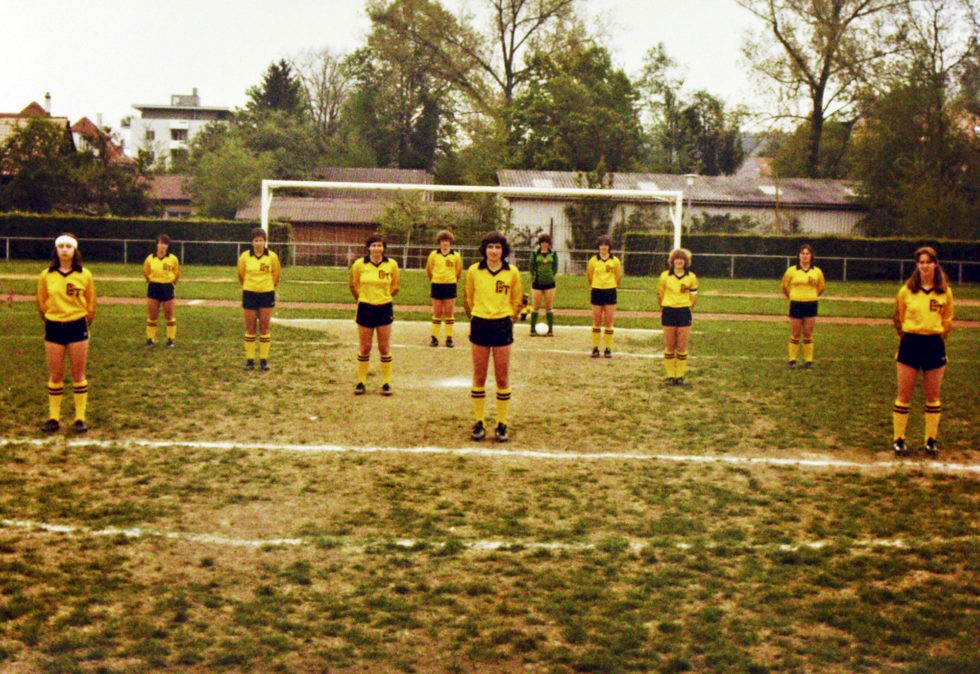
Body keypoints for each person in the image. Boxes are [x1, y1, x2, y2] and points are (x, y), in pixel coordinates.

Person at [891, 246, 954, 457]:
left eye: (928, 262)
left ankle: (930, 440)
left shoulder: (945, 292)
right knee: (904, 395)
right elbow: (898, 317)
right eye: (921, 262)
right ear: (917, 265)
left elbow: (948, 318)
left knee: (933, 396)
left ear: (935, 264)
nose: (925, 266)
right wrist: (909, 335)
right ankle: (899, 439)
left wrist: (936, 334)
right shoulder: (906, 290)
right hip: (910, 343)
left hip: (934, 345)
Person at [464, 231, 523, 442]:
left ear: (503, 250)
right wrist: (478, 315)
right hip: (480, 324)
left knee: (502, 377)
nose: (494, 251)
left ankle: (501, 423)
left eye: (498, 247)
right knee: (479, 376)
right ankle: (479, 421)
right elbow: (468, 299)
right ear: (485, 250)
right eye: (490, 247)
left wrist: (507, 318)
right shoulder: (474, 271)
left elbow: (517, 301)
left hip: (502, 325)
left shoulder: (512, 272)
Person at [36, 233, 96, 433]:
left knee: (78, 374)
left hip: (77, 326)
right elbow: (42, 302)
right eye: (61, 246)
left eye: (68, 246)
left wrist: (80, 320)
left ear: (74, 250)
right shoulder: (46, 275)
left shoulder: (85, 275)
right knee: (56, 375)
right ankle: (54, 418)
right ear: (56, 250)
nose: (64, 250)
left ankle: (80, 418)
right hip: (54, 327)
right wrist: (54, 317)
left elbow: (91, 304)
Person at [349, 234, 400, 395]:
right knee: (365, 347)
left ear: (384, 248)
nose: (376, 248)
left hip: (384, 308)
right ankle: (361, 382)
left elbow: (395, 286)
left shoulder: (391, 264)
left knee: (384, 347)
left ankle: (386, 383)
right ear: (368, 247)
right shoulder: (359, 264)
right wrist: (365, 298)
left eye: (379, 245)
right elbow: (354, 285)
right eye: (373, 245)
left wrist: (383, 298)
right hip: (365, 308)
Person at [236, 227, 281, 371]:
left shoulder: (272, 257)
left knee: (264, 327)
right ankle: (249, 361)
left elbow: (276, 275)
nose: (258, 243)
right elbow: (241, 274)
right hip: (249, 293)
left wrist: (267, 286)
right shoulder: (245, 256)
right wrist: (250, 285)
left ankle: (263, 360)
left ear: (265, 241)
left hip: (266, 294)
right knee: (250, 328)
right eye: (256, 240)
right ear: (252, 242)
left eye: (261, 240)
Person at [656, 248, 699, 385]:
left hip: (684, 312)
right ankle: (670, 375)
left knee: (681, 346)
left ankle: (680, 376)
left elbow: (694, 296)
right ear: (672, 261)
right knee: (670, 345)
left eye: (682, 259)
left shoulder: (691, 277)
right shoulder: (665, 276)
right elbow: (660, 294)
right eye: (677, 258)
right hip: (669, 312)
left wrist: (686, 306)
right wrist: (666, 305)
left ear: (686, 262)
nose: (679, 261)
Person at [781, 243, 825, 369]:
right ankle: (792, 360)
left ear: (811, 256)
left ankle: (809, 361)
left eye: (807, 253)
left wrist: (811, 296)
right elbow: (784, 287)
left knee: (808, 333)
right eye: (802, 253)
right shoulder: (791, 271)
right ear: (799, 256)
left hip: (811, 304)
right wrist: (793, 296)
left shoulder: (817, 271)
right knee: (795, 333)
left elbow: (821, 287)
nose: (805, 256)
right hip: (796, 303)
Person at [425, 229, 463, 347]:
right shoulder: (433, 255)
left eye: (447, 241)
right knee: (437, 312)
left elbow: (458, 271)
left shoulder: (456, 256)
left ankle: (449, 338)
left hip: (450, 285)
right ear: (439, 242)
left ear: (450, 242)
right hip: (437, 285)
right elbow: (429, 270)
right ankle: (434, 338)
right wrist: (435, 279)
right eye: (442, 241)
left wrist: (451, 279)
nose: (445, 243)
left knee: (449, 313)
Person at [586, 235, 622, 358]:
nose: (604, 247)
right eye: (601, 245)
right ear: (598, 247)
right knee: (596, 321)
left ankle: (608, 348)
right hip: (596, 291)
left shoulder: (615, 261)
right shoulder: (593, 260)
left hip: (610, 291)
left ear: (609, 247)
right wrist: (596, 285)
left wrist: (610, 285)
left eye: (606, 245)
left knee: (609, 321)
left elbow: (618, 277)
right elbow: (589, 276)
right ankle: (595, 347)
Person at [143, 233, 181, 348]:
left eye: (165, 243)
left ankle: (170, 340)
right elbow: (146, 272)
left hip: (167, 287)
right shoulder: (150, 258)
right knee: (152, 315)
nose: (162, 246)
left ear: (168, 245)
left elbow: (177, 273)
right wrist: (152, 281)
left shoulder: (173, 259)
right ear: (157, 244)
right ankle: (150, 339)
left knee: (169, 315)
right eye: (160, 243)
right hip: (154, 287)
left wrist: (170, 282)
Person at [528, 233, 559, 336]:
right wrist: (535, 277)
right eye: (542, 242)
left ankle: (550, 330)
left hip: (549, 283)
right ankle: (532, 329)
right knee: (536, 306)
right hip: (537, 283)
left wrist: (550, 276)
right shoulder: (535, 253)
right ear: (540, 243)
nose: (544, 244)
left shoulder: (553, 254)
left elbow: (555, 267)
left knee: (549, 307)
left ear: (549, 244)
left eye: (546, 242)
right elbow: (531, 267)